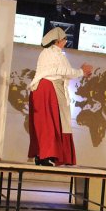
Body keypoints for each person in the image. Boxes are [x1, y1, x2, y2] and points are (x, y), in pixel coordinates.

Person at [27, 27, 92, 166]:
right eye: (64, 40)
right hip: (47, 89)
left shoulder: (57, 54)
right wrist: (81, 71)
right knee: (48, 124)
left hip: (52, 89)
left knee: (54, 123)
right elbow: (59, 70)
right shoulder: (49, 52)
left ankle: (45, 155)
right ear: (57, 41)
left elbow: (65, 72)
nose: (65, 42)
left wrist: (81, 72)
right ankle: (45, 155)